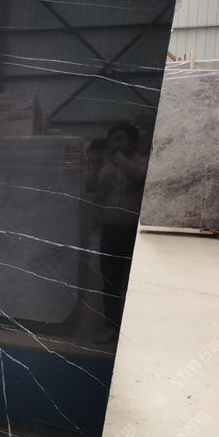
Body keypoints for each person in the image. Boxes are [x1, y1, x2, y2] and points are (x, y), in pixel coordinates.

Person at [88, 124, 148, 345]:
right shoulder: (109, 167)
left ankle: (136, 327)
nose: (115, 144)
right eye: (112, 140)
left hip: (135, 232)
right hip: (111, 229)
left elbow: (140, 177)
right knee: (110, 280)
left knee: (135, 281)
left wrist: (118, 159)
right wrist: (94, 165)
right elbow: (92, 188)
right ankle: (111, 326)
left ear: (133, 141)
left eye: (119, 139)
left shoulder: (143, 162)